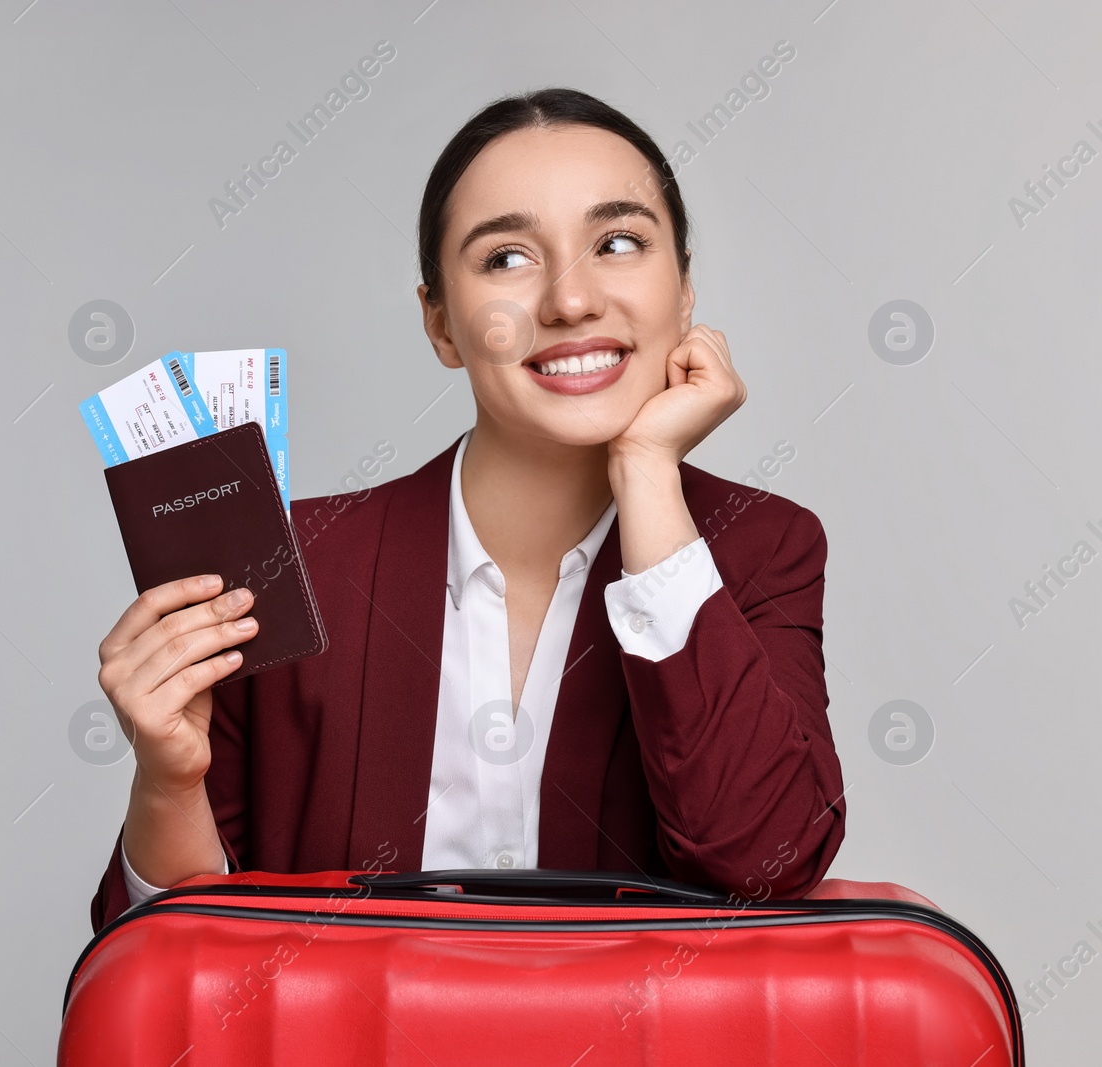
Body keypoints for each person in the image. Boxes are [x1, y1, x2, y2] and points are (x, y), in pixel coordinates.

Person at [90, 88, 845, 933]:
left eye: (619, 242)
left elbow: (763, 860)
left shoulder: (763, 550)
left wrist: (646, 472)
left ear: (685, 291)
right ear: (441, 325)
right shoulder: (292, 563)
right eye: (507, 259)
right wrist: (167, 779)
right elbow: (182, 967)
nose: (569, 301)